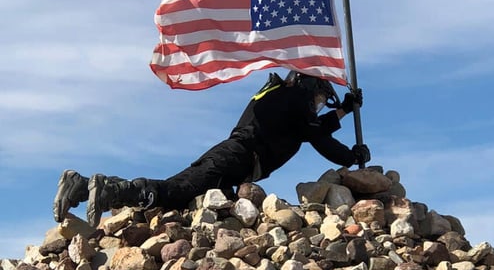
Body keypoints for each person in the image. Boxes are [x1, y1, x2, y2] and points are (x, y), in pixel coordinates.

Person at [53, 72, 370, 227]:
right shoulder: (295, 101)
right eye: (318, 100)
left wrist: (340, 113)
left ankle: (85, 186)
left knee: (177, 189)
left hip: (230, 154)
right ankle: (110, 189)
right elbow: (315, 136)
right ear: (309, 89)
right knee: (178, 190)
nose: (316, 108)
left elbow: (308, 130)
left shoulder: (279, 96)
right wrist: (351, 157)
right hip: (237, 158)